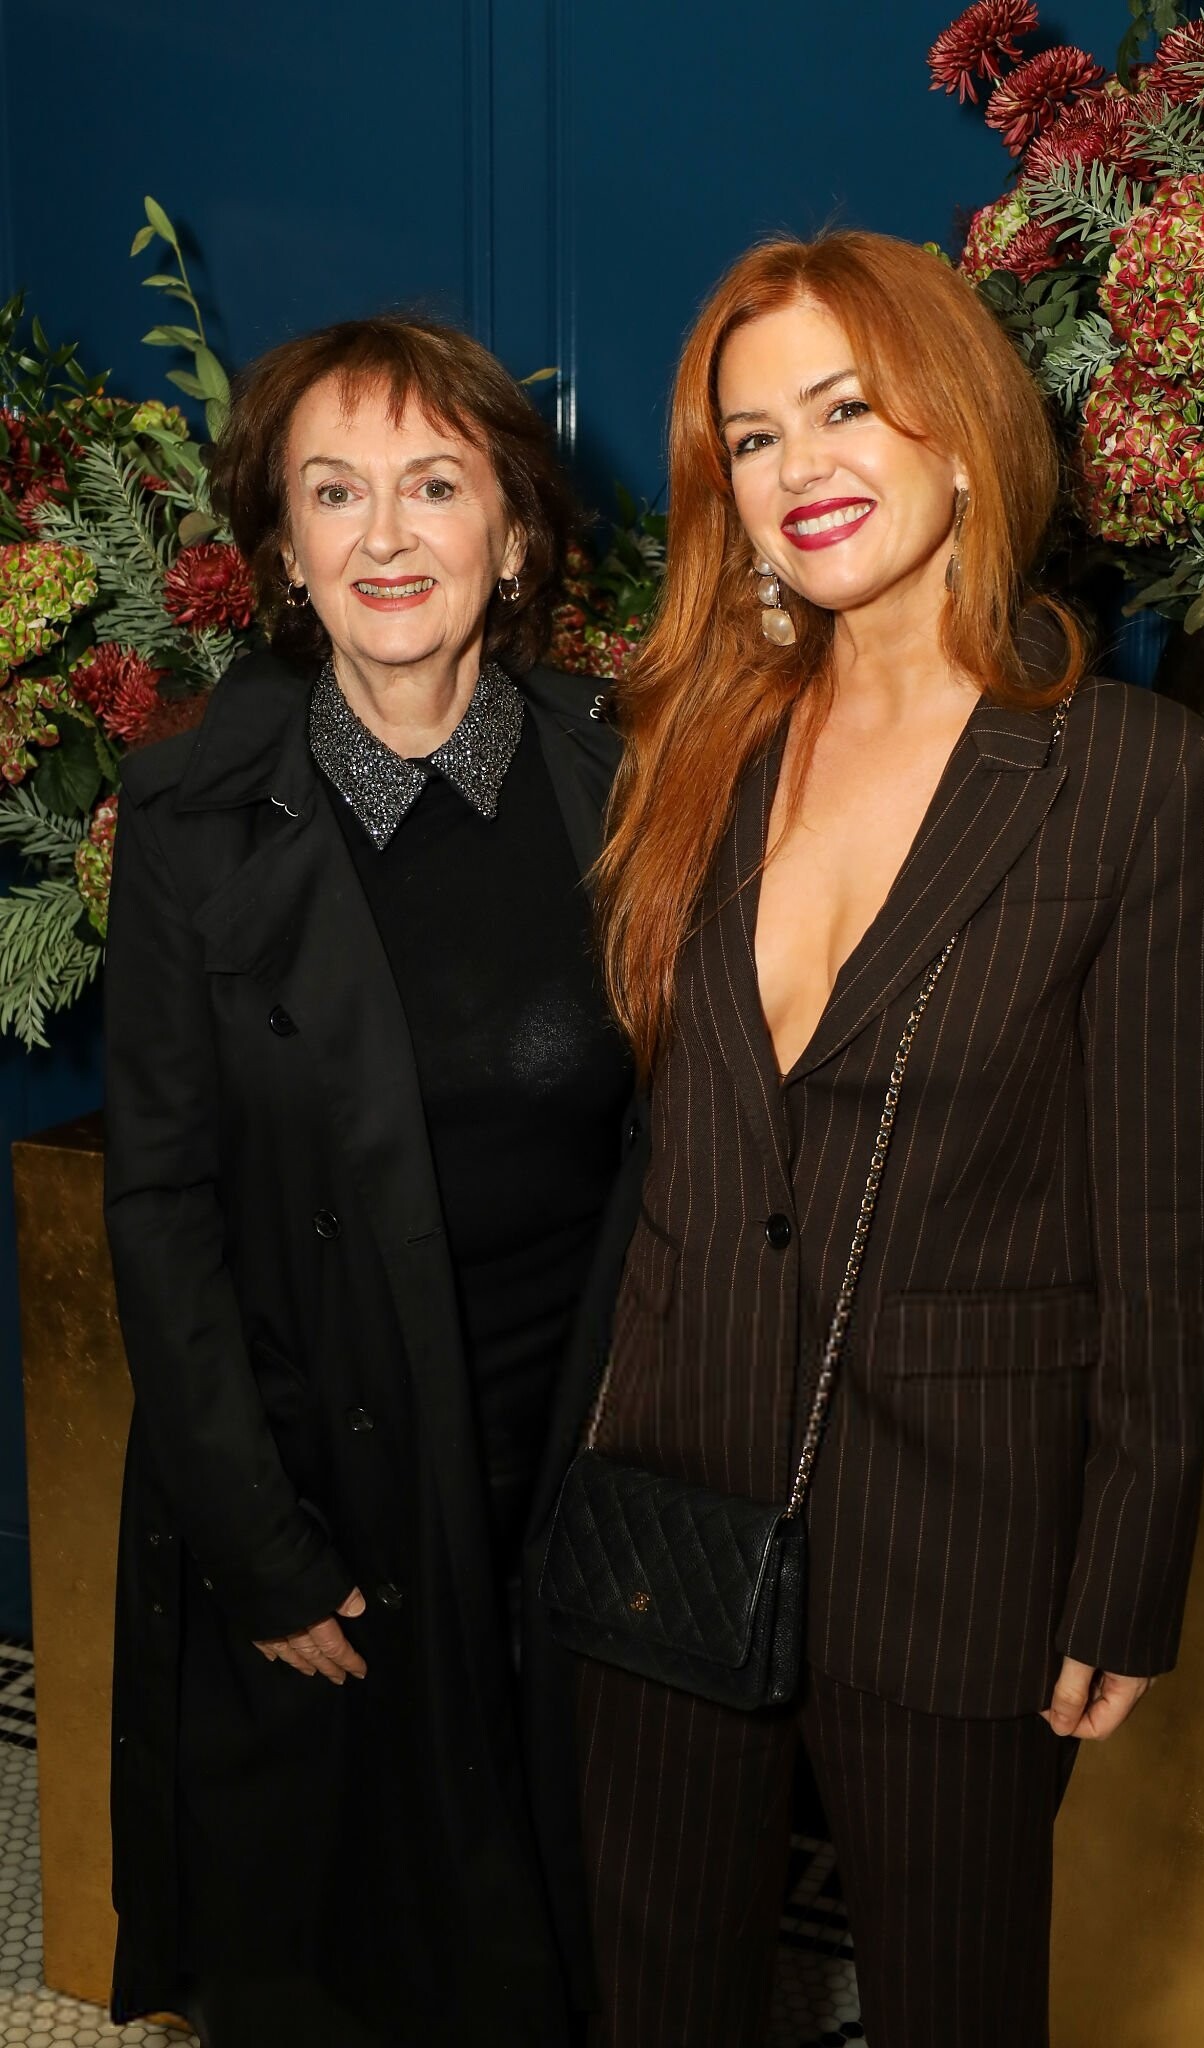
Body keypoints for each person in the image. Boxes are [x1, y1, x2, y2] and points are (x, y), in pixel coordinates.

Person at [560, 231, 1204, 2046]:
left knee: (956, 2002)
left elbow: (1157, 1229)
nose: (798, 467)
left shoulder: (1131, 777)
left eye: (845, 407)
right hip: (671, 1486)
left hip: (964, 1532)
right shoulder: (692, 741)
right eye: (753, 437)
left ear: (960, 430)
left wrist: (1127, 1563)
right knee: (657, 1996)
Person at [103, 316, 633, 2048]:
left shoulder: (630, 777)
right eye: (334, 493)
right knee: (329, 1959)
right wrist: (258, 1547)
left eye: (434, 486)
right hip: (319, 1472)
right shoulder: (190, 819)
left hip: (567, 1468)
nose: (386, 536)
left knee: (564, 1939)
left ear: (517, 535)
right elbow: (159, 1199)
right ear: (282, 551)